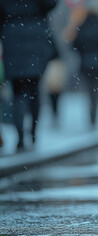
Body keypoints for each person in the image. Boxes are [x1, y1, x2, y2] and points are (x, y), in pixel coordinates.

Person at [0, 0, 58, 151]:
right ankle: (33, 133)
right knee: (34, 90)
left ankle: (20, 137)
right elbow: (51, 4)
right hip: (36, 39)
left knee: (18, 92)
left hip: (12, 40)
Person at [63, 4, 98, 126]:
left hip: (86, 63)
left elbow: (74, 44)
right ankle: (94, 113)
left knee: (90, 89)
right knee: (96, 88)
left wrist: (83, 52)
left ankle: (91, 113)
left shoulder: (82, 26)